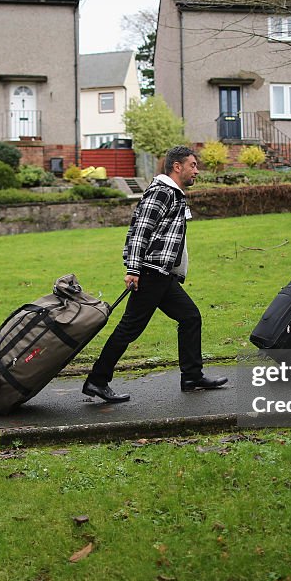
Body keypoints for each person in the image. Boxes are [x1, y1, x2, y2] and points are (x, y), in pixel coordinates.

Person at [82, 145, 228, 403]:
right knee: (129, 329)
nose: (197, 170)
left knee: (190, 317)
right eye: (193, 165)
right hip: (150, 273)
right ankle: (97, 380)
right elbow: (140, 230)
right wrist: (133, 269)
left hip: (162, 276)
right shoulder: (161, 193)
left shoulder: (173, 194)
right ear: (177, 166)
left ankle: (192, 376)